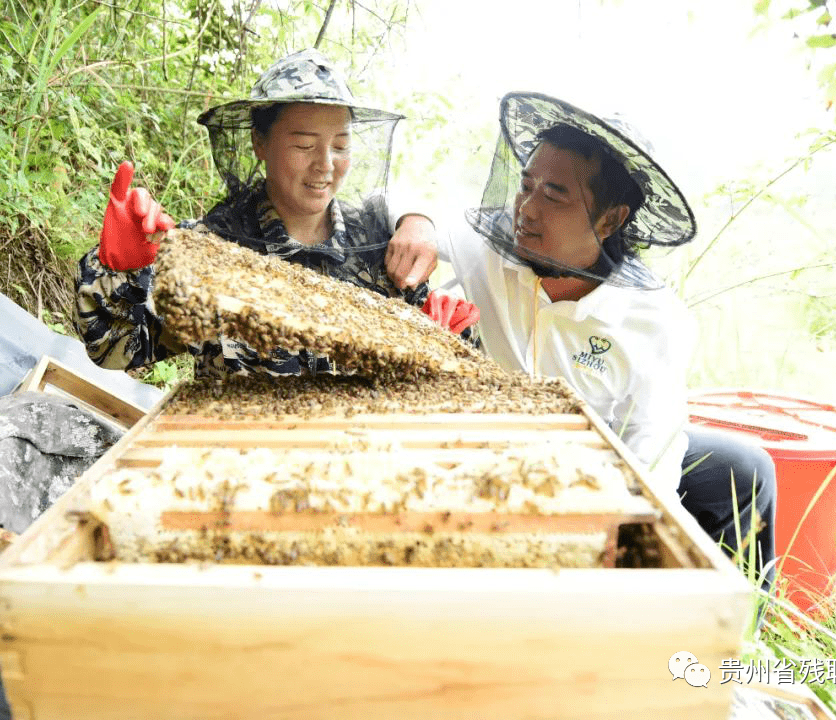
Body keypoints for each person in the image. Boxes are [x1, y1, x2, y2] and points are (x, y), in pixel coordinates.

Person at [391, 92, 776, 589]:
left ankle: (738, 633)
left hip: (601, 460)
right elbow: (407, 207)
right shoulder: (491, 246)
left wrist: (626, 524)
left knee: (745, 470)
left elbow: (653, 446)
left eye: (553, 195)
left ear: (611, 219)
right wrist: (416, 223)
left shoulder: (653, 320)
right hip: (498, 444)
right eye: (525, 186)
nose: (526, 209)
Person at [74, 49, 473, 376]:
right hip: (237, 465)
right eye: (304, 145)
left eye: (340, 146)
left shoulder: (382, 251)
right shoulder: (207, 249)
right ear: (259, 144)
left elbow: (449, 366)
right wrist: (118, 270)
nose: (325, 164)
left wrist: (451, 340)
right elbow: (113, 347)